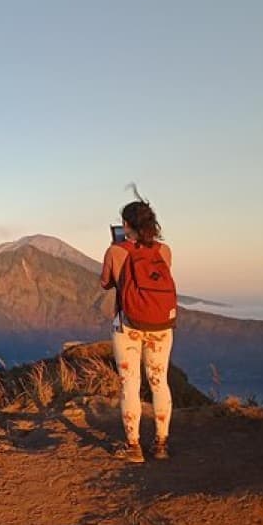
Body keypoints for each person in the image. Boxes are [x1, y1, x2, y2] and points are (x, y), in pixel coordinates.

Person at [99, 192, 177, 463]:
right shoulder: (164, 251)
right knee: (159, 382)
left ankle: (134, 447)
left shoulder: (116, 251)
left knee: (129, 384)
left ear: (127, 225)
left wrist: (116, 249)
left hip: (128, 326)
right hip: (161, 326)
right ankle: (162, 445)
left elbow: (106, 283)